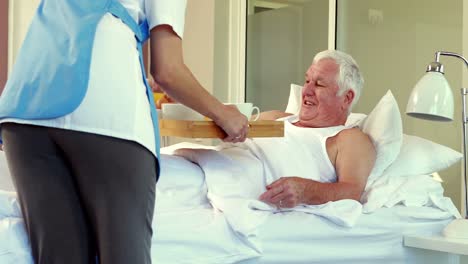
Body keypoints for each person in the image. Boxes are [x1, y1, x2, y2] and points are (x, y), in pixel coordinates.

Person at [0, 1, 248, 263]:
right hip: (100, 109)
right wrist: (223, 113)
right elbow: (168, 71)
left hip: (25, 107)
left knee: (59, 256)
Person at [251, 50, 376, 209]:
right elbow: (230, 130)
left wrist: (305, 191)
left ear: (346, 98)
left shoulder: (347, 139)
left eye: (319, 84)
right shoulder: (276, 118)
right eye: (307, 81)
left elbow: (352, 191)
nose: (306, 91)